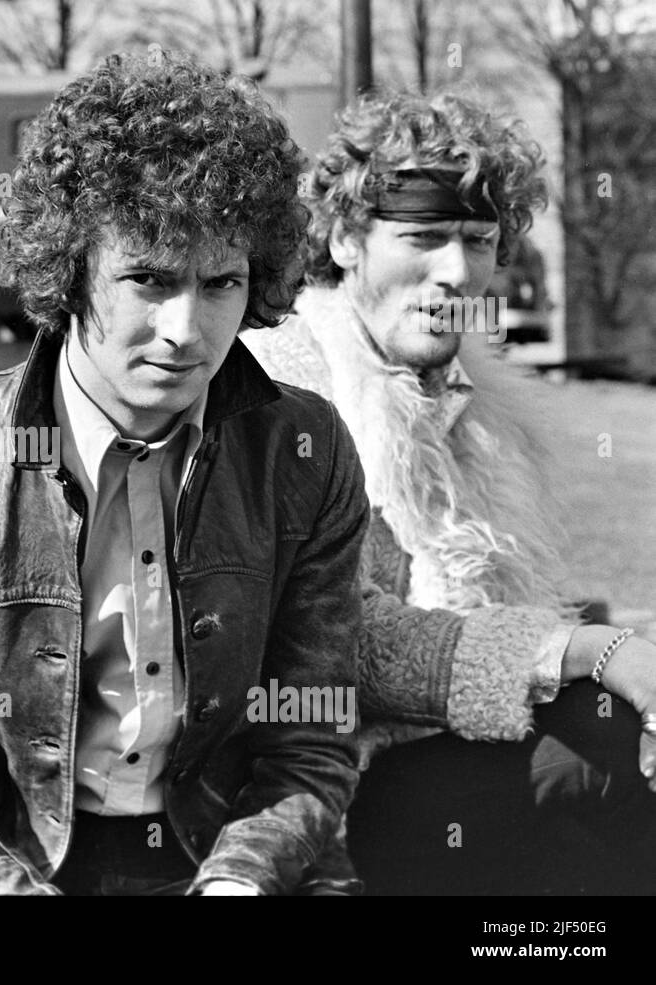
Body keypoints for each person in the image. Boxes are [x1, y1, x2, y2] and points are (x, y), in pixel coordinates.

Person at [0, 50, 370, 896]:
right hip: (2, 853)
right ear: (70, 267)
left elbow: (310, 741)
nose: (184, 328)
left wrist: (241, 879)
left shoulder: (301, 451)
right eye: (148, 278)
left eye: (220, 283)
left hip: (236, 848)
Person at [242, 89, 656, 894]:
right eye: (423, 236)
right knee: (600, 758)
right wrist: (596, 654)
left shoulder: (489, 408)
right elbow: (344, 642)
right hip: (341, 781)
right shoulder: (290, 390)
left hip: (482, 754)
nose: (456, 272)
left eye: (479, 239)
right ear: (345, 238)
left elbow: (512, 602)